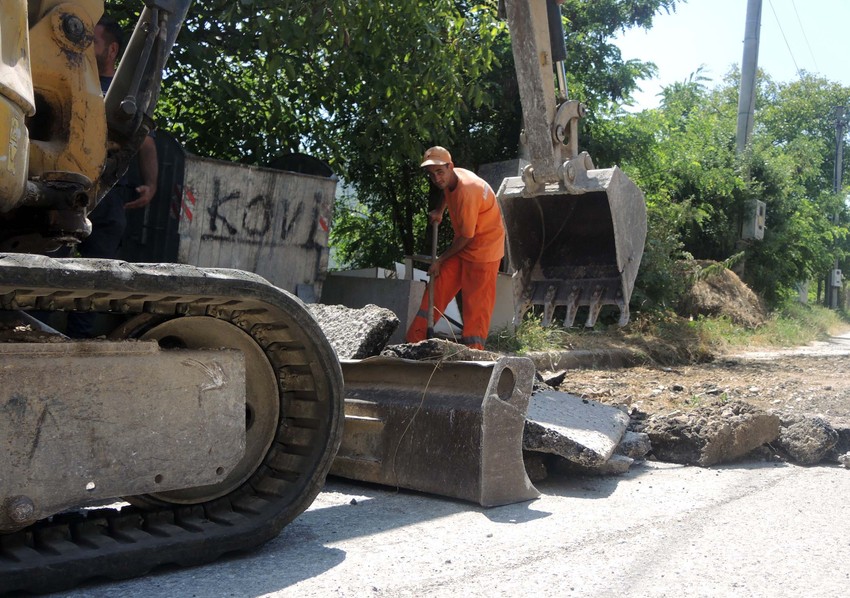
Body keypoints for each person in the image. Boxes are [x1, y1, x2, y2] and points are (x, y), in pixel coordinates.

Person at [64, 16, 158, 337]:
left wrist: (152, 184)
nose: (85, 46)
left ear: (113, 49)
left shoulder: (123, 97)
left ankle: (79, 346)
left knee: (93, 284)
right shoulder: (72, 79)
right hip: (66, 192)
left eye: (95, 42)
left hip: (107, 200)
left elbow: (145, 144)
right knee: (50, 271)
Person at [405, 146, 506, 350]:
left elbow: (467, 237)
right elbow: (447, 191)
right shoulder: (452, 178)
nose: (436, 179)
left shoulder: (467, 191)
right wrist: (440, 211)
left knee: (475, 306)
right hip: (464, 246)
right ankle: (413, 344)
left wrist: (439, 260)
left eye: (440, 172)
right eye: (432, 174)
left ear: (450, 166)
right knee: (438, 285)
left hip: (484, 251)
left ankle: (473, 356)